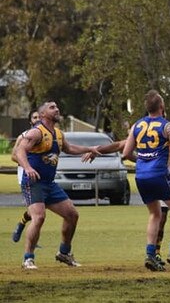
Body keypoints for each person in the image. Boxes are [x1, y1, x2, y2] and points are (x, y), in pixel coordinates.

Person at [84, 128, 170, 265]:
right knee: (161, 217)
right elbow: (120, 145)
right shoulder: (147, 134)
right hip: (160, 176)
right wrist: (98, 150)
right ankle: (157, 252)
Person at [13, 101, 101, 269]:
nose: (57, 109)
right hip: (33, 183)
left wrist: (89, 149)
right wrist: (28, 167)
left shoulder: (58, 134)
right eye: (52, 107)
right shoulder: (36, 132)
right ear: (43, 114)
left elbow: (69, 148)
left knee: (72, 215)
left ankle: (64, 253)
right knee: (39, 217)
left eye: (57, 107)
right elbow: (19, 151)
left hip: (49, 184)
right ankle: (28, 258)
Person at [122, 90, 170, 271]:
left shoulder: (137, 126)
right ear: (162, 107)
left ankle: (150, 255)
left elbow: (125, 153)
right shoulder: (167, 126)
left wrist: (142, 161)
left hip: (141, 176)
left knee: (155, 214)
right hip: (159, 174)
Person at [11, 109, 40, 243]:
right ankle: (32, 240)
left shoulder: (47, 136)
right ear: (30, 121)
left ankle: (22, 223)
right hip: (26, 176)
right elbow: (13, 156)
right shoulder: (23, 136)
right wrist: (28, 166)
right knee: (36, 212)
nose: (37, 119)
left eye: (39, 117)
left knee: (38, 209)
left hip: (41, 176)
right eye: (34, 117)